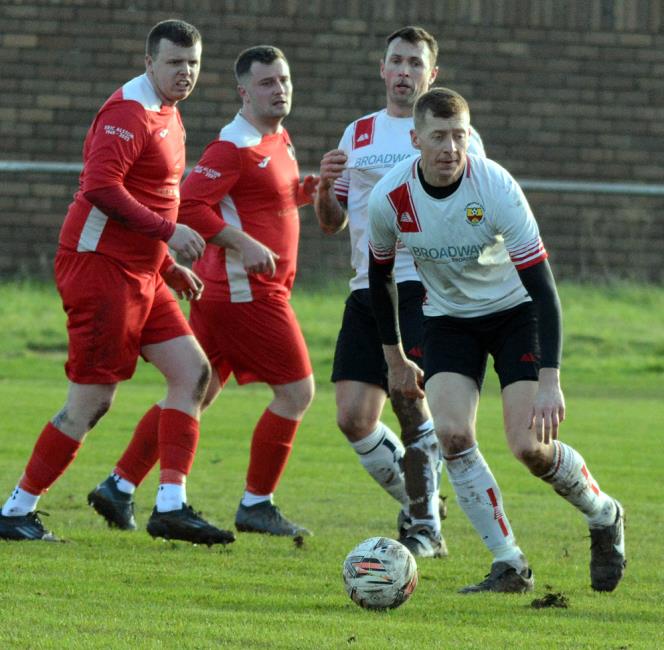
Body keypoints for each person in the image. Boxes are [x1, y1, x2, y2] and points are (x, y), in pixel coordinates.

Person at [367, 86, 625, 593]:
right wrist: (395, 357)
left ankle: (603, 514)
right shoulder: (391, 197)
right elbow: (380, 278)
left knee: (528, 447)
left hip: (515, 315)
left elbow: (543, 288)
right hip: (448, 321)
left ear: (470, 136)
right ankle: (510, 564)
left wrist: (550, 380)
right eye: (438, 136)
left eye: (459, 135)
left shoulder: (495, 187)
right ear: (415, 139)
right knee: (453, 435)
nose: (449, 147)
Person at [0, 20, 235, 546]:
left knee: (195, 374)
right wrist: (169, 234)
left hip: (141, 272)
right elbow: (101, 188)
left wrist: (167, 266)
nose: (186, 73)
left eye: (193, 63)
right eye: (175, 63)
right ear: (149, 62)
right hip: (98, 269)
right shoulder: (127, 114)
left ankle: (170, 505)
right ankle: (17, 509)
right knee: (92, 400)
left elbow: (149, 195)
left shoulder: (168, 113)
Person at [88, 45, 318, 538]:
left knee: (194, 393)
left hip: (232, 295)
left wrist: (304, 192)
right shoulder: (231, 147)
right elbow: (191, 206)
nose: (278, 90)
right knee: (298, 392)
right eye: (266, 83)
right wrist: (240, 242)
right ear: (243, 91)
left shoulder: (277, 138)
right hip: (245, 294)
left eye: (283, 80)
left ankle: (120, 484)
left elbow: (260, 199)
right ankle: (257, 503)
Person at [314, 26, 485, 558]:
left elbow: (480, 213)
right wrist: (323, 187)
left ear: (432, 75)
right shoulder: (359, 134)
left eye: (416, 63)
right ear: (382, 69)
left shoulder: (454, 135)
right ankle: (425, 500)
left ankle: (425, 526)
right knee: (353, 417)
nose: (405, 71)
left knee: (410, 398)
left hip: (421, 287)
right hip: (367, 287)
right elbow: (331, 223)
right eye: (397, 61)